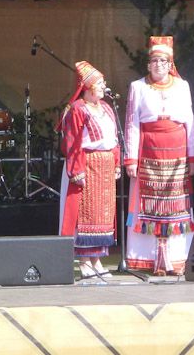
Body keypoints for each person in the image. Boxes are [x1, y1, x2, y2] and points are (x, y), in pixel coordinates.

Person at [124, 36, 194, 276]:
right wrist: (131, 159)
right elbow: (132, 123)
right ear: (148, 64)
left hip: (177, 152)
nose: (159, 65)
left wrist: (193, 157)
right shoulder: (138, 87)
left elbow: (190, 122)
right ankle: (148, 259)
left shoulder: (182, 86)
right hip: (149, 150)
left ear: (170, 64)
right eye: (155, 61)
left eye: (164, 61)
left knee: (177, 206)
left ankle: (176, 259)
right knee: (149, 205)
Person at [58, 61, 121, 280]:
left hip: (105, 166)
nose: (104, 86)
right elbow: (72, 141)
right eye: (100, 82)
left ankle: (97, 260)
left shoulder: (107, 108)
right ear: (88, 86)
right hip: (88, 164)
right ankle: (84, 260)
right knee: (86, 215)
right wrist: (76, 170)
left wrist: (116, 163)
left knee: (103, 215)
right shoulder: (78, 109)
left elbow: (114, 139)